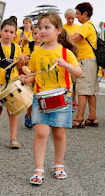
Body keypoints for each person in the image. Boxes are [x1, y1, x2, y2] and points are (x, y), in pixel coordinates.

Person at [20, 13, 81, 185]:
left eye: (47, 27)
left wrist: (66, 64)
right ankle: (38, 168)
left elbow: (78, 73)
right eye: (40, 27)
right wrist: (26, 79)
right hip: (41, 98)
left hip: (62, 98)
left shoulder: (65, 52)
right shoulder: (37, 53)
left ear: (58, 31)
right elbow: (33, 75)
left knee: (59, 133)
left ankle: (58, 165)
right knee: (40, 132)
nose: (43, 31)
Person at [0, 18, 29, 148]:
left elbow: (19, 66)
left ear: (15, 34)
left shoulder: (17, 48)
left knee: (13, 111)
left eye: (11, 32)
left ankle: (13, 138)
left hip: (13, 83)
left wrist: (22, 61)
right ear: (0, 32)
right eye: (6, 31)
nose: (8, 34)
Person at [69, 2, 99, 128]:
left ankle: (79, 118)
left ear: (85, 13)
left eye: (77, 14)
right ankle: (92, 117)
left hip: (85, 61)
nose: (76, 17)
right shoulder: (90, 25)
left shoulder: (86, 26)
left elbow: (74, 38)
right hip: (90, 60)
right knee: (90, 90)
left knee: (82, 90)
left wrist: (59, 38)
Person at [20, 22, 44, 128]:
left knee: (41, 97)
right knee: (31, 98)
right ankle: (29, 115)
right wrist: (24, 60)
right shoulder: (29, 46)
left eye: (39, 33)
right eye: (35, 33)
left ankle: (41, 118)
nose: (37, 35)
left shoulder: (46, 46)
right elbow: (24, 62)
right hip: (30, 74)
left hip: (42, 75)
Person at [63, 9, 81, 107]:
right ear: (65, 18)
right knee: (67, 79)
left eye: (72, 18)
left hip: (76, 55)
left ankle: (74, 98)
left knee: (75, 81)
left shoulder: (79, 28)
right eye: (68, 18)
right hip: (65, 56)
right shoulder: (62, 28)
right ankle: (68, 99)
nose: (70, 20)